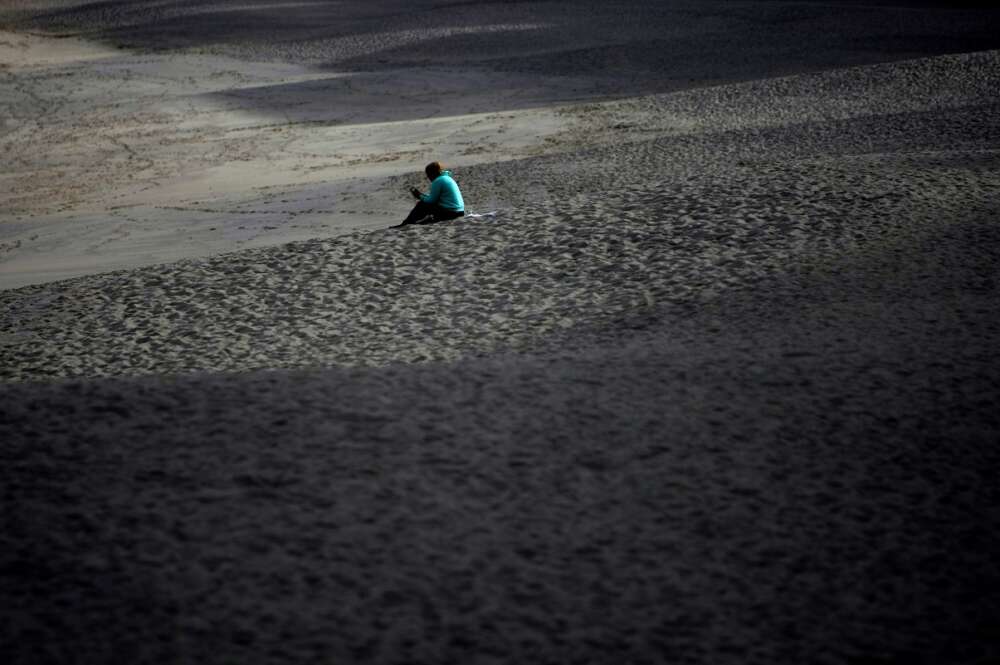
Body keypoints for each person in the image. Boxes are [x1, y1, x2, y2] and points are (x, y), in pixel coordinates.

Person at [399, 161, 465, 226]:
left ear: (432, 174)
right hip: (460, 211)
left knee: (421, 204)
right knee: (425, 209)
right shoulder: (447, 178)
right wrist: (422, 195)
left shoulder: (438, 181)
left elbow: (431, 201)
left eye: (428, 175)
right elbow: (435, 198)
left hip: (451, 212)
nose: (428, 178)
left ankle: (407, 223)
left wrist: (419, 196)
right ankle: (412, 222)